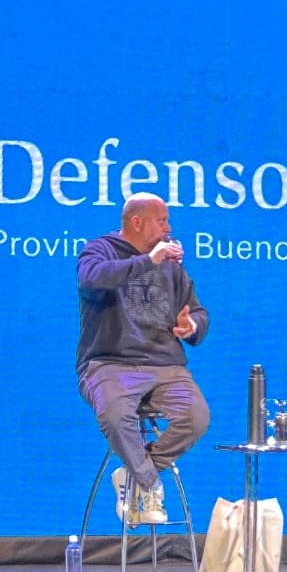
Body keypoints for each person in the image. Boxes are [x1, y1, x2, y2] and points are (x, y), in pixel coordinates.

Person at [76, 192, 210, 525]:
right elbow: (92, 280)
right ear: (136, 222)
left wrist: (191, 325)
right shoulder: (100, 250)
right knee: (115, 415)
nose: (168, 227)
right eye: (161, 220)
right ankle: (149, 485)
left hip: (164, 364)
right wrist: (149, 260)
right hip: (110, 363)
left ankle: (134, 475)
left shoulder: (171, 264)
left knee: (196, 417)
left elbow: (197, 310)